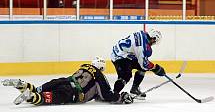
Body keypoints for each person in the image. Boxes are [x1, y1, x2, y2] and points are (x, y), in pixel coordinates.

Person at [2, 57, 133, 105]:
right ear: (101, 68)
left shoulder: (84, 66)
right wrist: (121, 97)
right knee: (39, 100)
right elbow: (106, 95)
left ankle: (22, 85)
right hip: (71, 92)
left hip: (63, 81)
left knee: (37, 90)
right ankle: (30, 96)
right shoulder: (99, 75)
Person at [111, 29, 166, 98]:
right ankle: (114, 95)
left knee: (142, 68)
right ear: (153, 38)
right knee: (126, 76)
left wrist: (151, 67)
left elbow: (142, 62)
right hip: (119, 57)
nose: (153, 43)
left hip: (125, 54)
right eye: (154, 41)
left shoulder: (142, 33)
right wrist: (155, 68)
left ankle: (134, 89)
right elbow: (144, 64)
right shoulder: (141, 46)